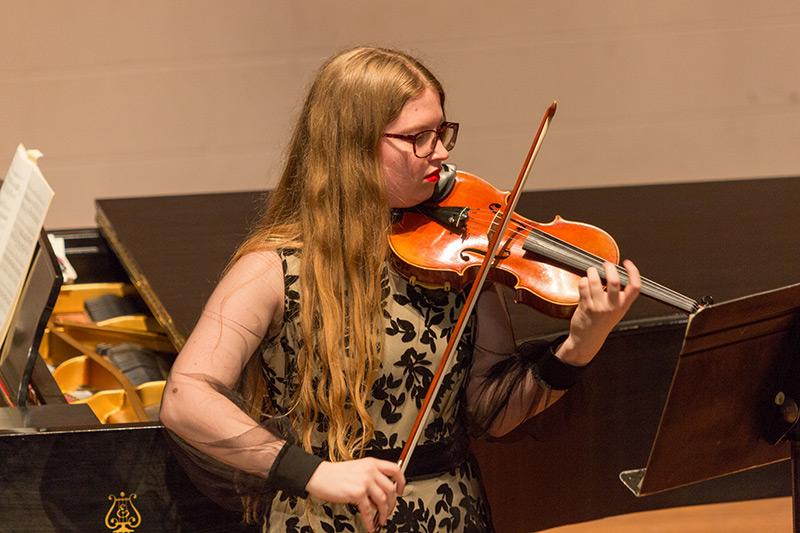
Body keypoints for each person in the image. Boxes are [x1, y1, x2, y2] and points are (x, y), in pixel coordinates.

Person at [159, 46, 641, 533]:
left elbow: (491, 411)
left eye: (441, 131)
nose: (441, 151)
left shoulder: (457, 259)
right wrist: (314, 473)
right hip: (323, 519)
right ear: (352, 146)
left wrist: (580, 345)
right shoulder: (272, 269)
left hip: (453, 513)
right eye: (418, 137)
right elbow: (186, 397)